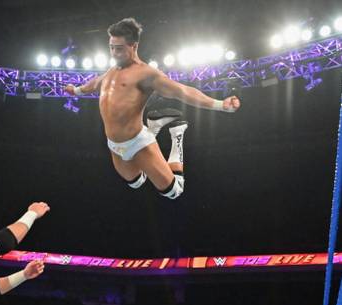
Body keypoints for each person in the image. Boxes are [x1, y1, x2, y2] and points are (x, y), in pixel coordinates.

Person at [65, 17, 240, 200]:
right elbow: (94, 84)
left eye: (119, 48)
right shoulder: (111, 72)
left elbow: (182, 91)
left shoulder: (146, 74)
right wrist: (76, 90)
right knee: (136, 183)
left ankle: (177, 134)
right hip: (114, 145)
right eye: (111, 47)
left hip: (137, 142)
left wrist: (220, 105)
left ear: (134, 46)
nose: (114, 53)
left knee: (174, 192)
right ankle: (154, 127)